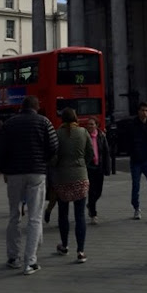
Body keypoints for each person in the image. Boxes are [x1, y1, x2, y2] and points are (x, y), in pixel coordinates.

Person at [0, 95, 59, 275]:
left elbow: (0, 149)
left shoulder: (9, 124)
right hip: (36, 172)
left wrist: (5, 169)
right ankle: (30, 261)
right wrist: (42, 160)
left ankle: (13, 257)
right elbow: (54, 146)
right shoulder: (44, 122)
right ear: (36, 107)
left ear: (21, 107)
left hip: (14, 173)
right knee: (35, 217)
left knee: (14, 215)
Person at [53, 108, 93, 263]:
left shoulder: (57, 134)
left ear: (62, 119)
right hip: (80, 177)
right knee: (80, 215)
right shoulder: (83, 132)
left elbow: (54, 156)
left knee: (63, 214)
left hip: (62, 178)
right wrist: (82, 165)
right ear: (76, 118)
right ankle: (81, 251)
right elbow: (90, 153)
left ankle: (64, 245)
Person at [86, 116, 111, 225]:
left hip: (99, 167)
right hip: (89, 168)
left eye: (92, 124)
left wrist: (107, 168)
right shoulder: (85, 136)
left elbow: (106, 152)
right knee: (91, 191)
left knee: (99, 191)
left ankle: (90, 205)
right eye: (88, 124)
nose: (90, 126)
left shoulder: (101, 136)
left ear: (96, 125)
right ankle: (93, 214)